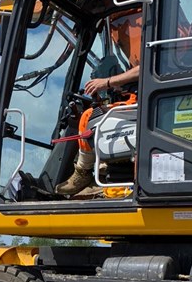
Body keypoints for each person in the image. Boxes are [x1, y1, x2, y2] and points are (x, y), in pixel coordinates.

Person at [55, 64, 139, 196]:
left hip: (140, 103)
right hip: (139, 101)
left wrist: (107, 82)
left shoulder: (155, 49)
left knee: (89, 115)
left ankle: (83, 171)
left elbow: (145, 67)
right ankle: (101, 171)